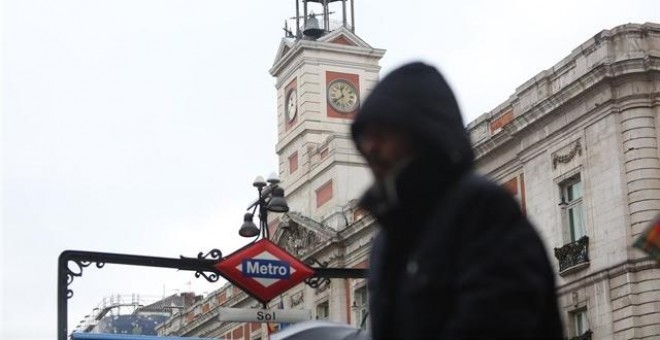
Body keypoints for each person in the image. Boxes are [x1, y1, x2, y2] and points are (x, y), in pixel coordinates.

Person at [350, 62, 564, 339]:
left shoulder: (481, 209)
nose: (370, 148)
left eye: (382, 134)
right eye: (365, 137)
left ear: (421, 132)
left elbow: (497, 323)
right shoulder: (386, 240)